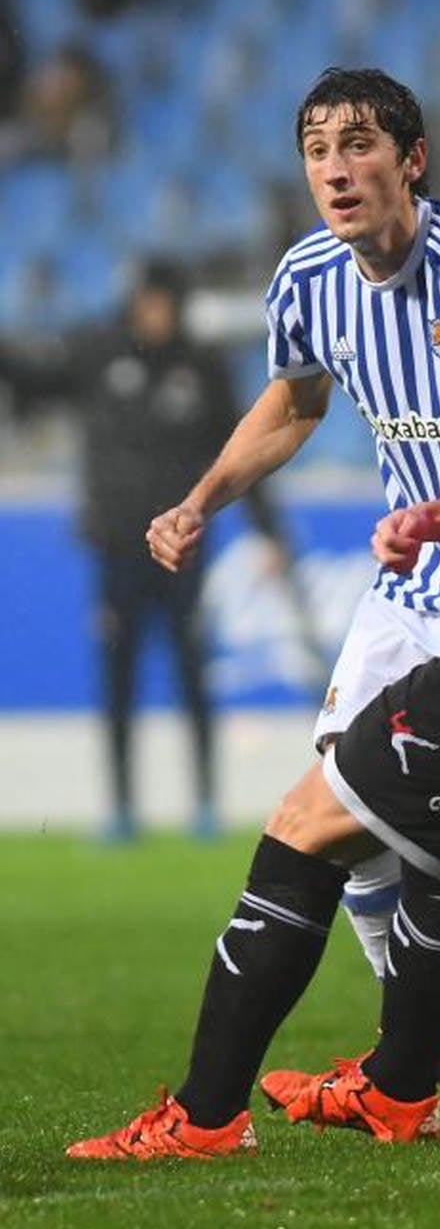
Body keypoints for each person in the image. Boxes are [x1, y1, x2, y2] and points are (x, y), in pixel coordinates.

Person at [65, 60, 440, 1160]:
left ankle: (429, 1066)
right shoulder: (310, 279)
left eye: (360, 145)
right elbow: (296, 398)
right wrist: (200, 500)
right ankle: (412, 1059)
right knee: (365, 827)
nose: (337, 168)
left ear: (411, 161)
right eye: (318, 149)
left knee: (398, 837)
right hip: (408, 587)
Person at [76, 259, 287, 841]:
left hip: (182, 552)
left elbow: (244, 456)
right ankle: (119, 808)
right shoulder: (101, 358)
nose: (154, 313)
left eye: (163, 301)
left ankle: (204, 802)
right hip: (117, 551)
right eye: (146, 301)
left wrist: (268, 534)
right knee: (118, 678)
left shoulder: (202, 367)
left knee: (193, 673)